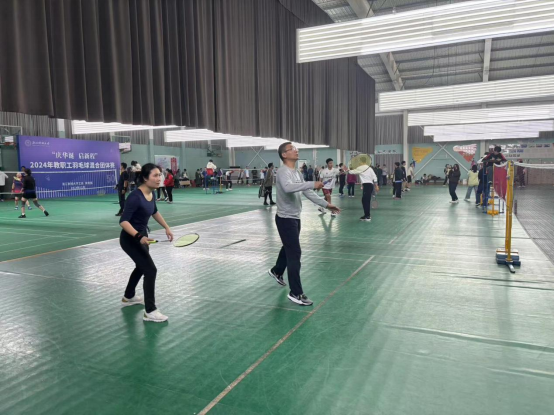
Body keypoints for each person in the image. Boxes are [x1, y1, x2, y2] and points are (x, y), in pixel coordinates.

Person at [267, 142, 339, 306]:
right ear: (284, 154)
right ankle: (296, 293)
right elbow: (288, 188)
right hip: (285, 219)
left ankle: (277, 271)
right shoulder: (282, 171)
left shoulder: (296, 172)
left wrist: (326, 205)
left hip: (295, 217)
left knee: (289, 247)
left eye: (295, 148)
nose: (296, 150)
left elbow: (307, 192)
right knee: (295, 253)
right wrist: (312, 183)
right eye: (292, 149)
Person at [119, 164, 174, 323]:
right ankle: (150, 311)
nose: (159, 178)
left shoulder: (151, 193)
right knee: (150, 269)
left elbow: (154, 211)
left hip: (143, 236)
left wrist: (167, 227)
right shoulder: (135, 197)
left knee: (141, 266)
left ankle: (128, 296)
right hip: (131, 238)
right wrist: (138, 236)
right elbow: (123, 221)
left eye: (160, 175)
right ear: (145, 178)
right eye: (155, 175)